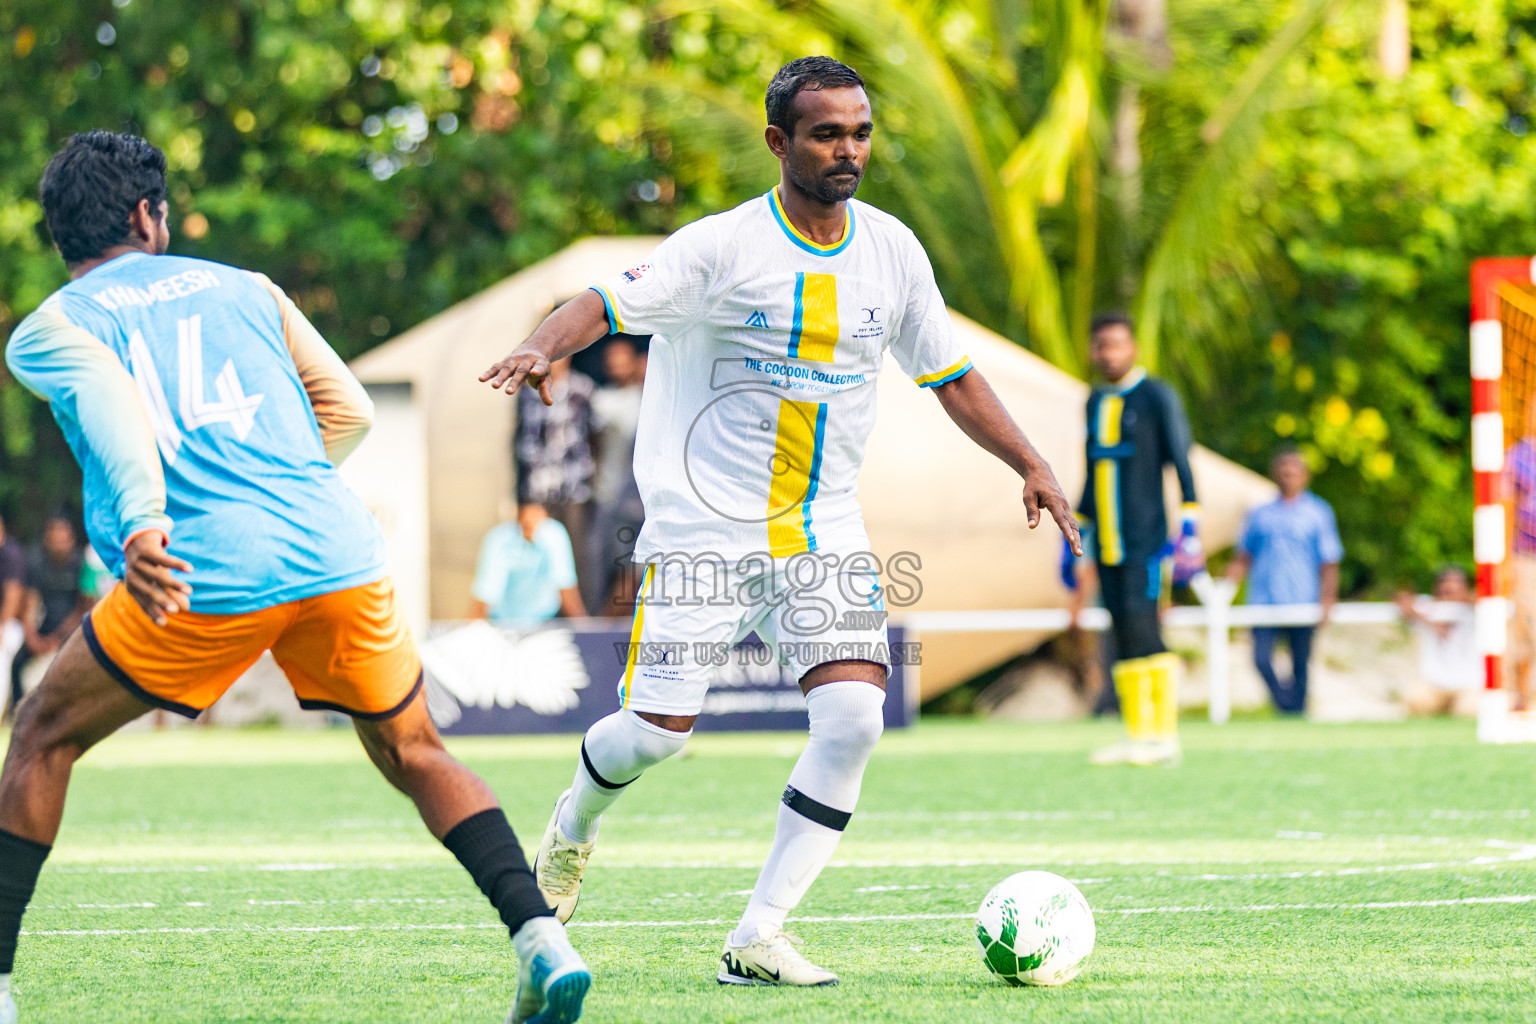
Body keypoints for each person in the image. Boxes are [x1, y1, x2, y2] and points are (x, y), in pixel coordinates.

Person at [480, 56, 1081, 988]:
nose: (849, 150)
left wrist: (1033, 463)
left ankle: (759, 935)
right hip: (702, 532)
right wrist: (539, 345)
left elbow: (950, 374)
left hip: (822, 530)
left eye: (861, 131)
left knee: (854, 717)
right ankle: (573, 825)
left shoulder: (894, 252)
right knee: (654, 734)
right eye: (826, 133)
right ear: (779, 142)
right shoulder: (720, 247)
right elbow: (604, 301)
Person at [0, 131, 588, 1024]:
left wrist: (149, 520)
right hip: (337, 550)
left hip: (200, 571)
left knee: (40, 735)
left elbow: (113, 409)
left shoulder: (51, 326)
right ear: (146, 215)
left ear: (64, 236)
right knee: (415, 749)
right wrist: (277, 479)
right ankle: (542, 938)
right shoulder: (249, 288)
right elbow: (346, 410)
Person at [1065, 313, 1200, 767]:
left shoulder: (1157, 397)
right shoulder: (1094, 402)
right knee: (1120, 635)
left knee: (1147, 633)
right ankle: (1136, 734)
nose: (1109, 354)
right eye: (1101, 345)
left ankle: (1164, 736)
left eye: (1117, 344)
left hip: (1147, 542)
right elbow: (1090, 475)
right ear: (1092, 350)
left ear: (1133, 348)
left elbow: (1182, 462)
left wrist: (1190, 527)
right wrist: (1076, 535)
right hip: (1106, 544)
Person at [1226, 448, 1342, 715]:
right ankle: (1287, 707)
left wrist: (1328, 598)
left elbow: (1329, 561)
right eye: (1283, 470)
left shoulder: (1318, 512)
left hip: (1302, 599)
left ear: (1304, 476)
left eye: (1294, 471)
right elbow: (1243, 557)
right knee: (1261, 659)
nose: (1288, 475)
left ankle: (1296, 714)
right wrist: (1224, 592)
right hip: (1264, 601)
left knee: (1301, 665)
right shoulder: (1259, 514)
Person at [515, 355, 597, 570]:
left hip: (574, 488)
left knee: (577, 556)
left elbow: (595, 435)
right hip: (540, 491)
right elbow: (521, 442)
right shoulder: (527, 392)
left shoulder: (583, 388)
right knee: (540, 556)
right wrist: (524, 498)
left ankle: (579, 604)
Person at [585, 337, 648, 615]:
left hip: (645, 504)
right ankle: (601, 626)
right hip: (612, 498)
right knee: (612, 570)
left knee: (634, 572)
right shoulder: (603, 401)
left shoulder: (652, 399)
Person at [9, 515, 90, 716]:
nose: (58, 545)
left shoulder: (82, 562)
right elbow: (31, 604)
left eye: (62, 539)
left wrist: (58, 639)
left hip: (74, 629)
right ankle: (17, 714)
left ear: (71, 539)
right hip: (45, 627)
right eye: (54, 539)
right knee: (17, 662)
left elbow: (84, 608)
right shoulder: (37, 562)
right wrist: (33, 638)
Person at [470, 501, 587, 626]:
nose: (530, 521)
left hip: (545, 624)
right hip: (503, 625)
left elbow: (566, 587)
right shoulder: (498, 539)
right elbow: (485, 594)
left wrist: (586, 631)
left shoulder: (555, 534)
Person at [1395, 566, 1480, 718]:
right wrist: (1429, 620)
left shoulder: (1478, 610)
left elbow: (1482, 600)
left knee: (1471, 709)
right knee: (1415, 699)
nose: (1450, 597)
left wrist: (1462, 602)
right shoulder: (1429, 608)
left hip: (1469, 685)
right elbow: (1403, 602)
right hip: (1435, 685)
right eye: (1445, 592)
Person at [1504, 393, 1536, 711]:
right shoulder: (1519, 456)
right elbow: (1506, 507)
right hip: (1527, 556)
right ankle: (1521, 695)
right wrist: (1504, 560)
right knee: (1527, 620)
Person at [0, 518, 21, 721]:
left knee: (1, 656)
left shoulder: (10, 554)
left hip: (8, 624)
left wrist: (2, 629)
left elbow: (12, 596)